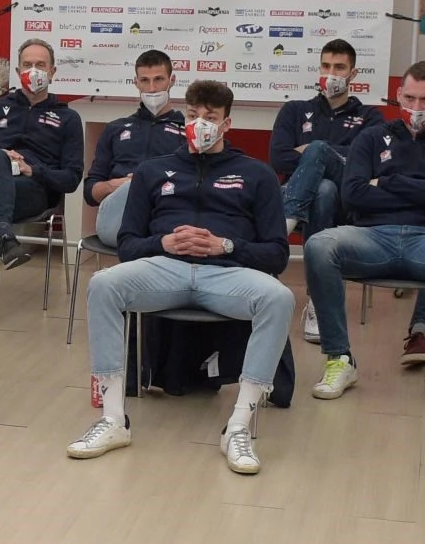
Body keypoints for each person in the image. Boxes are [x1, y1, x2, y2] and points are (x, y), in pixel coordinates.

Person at [67, 81, 294, 475]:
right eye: (192, 115)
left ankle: (238, 426)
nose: (199, 124)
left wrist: (225, 246)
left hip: (228, 273)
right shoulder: (152, 171)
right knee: (103, 284)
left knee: (279, 298)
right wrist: (164, 242)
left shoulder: (257, 175)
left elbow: (277, 253)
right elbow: (128, 245)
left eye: (210, 117)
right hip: (165, 269)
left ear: (227, 124)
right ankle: (113, 418)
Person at [301, 61, 425, 412]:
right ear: (398, 95)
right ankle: (339, 359)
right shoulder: (370, 137)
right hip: (372, 236)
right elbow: (353, 195)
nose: (416, 108)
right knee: (319, 245)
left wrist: (387, 182)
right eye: (409, 98)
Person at [0, 39, 85, 327]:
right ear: (17, 71)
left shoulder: (68, 118)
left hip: (33, 190)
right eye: (27, 65)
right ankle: (4, 236)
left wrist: (33, 170)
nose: (34, 70)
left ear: (52, 72)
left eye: (40, 65)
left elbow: (71, 179)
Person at [270, 39, 377, 344]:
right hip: (311, 195)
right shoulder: (294, 110)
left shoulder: (370, 117)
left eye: (339, 67)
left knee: (319, 153)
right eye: (326, 66)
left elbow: (367, 165)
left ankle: (280, 229)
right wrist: (336, 155)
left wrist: (315, 152)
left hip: (347, 200)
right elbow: (278, 158)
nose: (331, 74)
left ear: (353, 74)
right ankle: (318, 301)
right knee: (324, 189)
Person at [80, 50, 187, 247]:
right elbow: (90, 193)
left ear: (171, 81)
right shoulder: (115, 129)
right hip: (120, 216)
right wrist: (116, 186)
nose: (152, 88)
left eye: (159, 79)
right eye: (145, 80)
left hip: (167, 212)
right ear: (136, 82)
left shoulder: (187, 131)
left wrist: (144, 182)